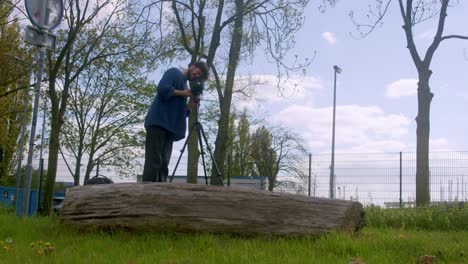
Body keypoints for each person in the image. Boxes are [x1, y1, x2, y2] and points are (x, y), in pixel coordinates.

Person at [143, 61, 209, 182]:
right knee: (154, 160)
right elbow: (162, 88)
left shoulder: (185, 86)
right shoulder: (174, 73)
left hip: (170, 128)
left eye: (198, 76)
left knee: (164, 162)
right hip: (158, 122)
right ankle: (146, 192)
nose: (195, 76)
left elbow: (181, 112)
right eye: (196, 73)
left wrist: (190, 105)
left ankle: (160, 191)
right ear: (192, 66)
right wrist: (182, 93)